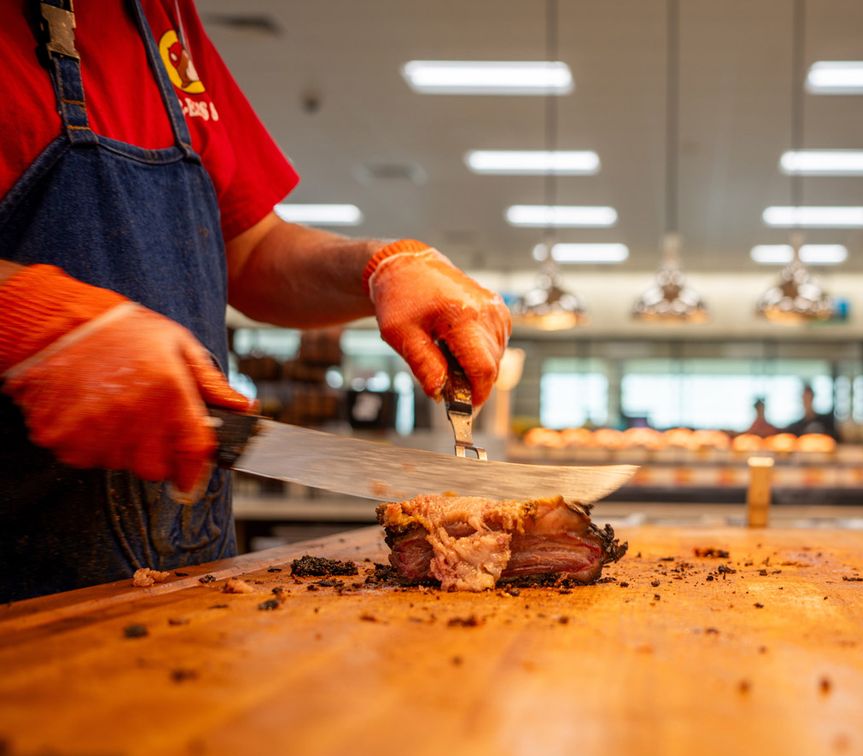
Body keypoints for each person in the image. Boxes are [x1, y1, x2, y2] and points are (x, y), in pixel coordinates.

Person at [0, 1, 510, 600]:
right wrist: (26, 319)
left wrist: (380, 267)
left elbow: (248, 249)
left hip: (180, 564)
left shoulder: (159, 13)